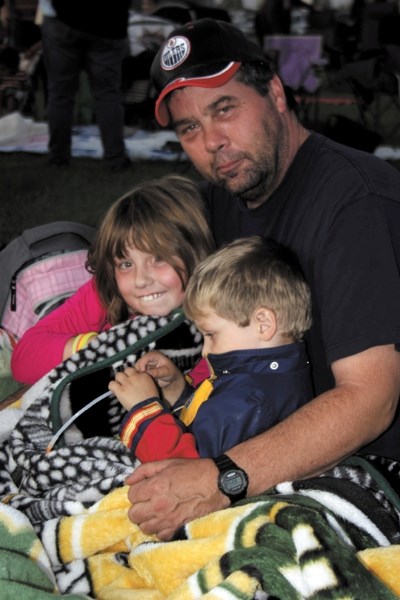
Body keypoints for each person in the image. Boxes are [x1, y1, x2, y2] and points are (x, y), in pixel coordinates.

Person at [124, 18, 400, 541]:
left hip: (371, 468)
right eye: (188, 129)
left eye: (224, 109)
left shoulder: (355, 203)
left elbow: (371, 400)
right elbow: (144, 259)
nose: (212, 142)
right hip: (256, 427)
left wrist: (221, 478)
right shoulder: (227, 194)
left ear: (274, 93)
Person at [110, 236, 313, 462]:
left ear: (263, 324)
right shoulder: (263, 378)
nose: (205, 351)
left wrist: (144, 412)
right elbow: (204, 428)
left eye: (211, 335)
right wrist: (177, 390)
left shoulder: (247, 401)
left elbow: (187, 473)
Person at [11, 175, 215, 385]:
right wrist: (102, 347)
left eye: (158, 259)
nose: (140, 280)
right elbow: (23, 360)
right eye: (126, 264)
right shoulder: (106, 293)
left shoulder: (223, 328)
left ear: (197, 252)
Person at [39, 0, 131, 169]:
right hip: (110, 24)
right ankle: (115, 158)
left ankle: (58, 158)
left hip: (64, 19)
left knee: (61, 94)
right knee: (107, 94)